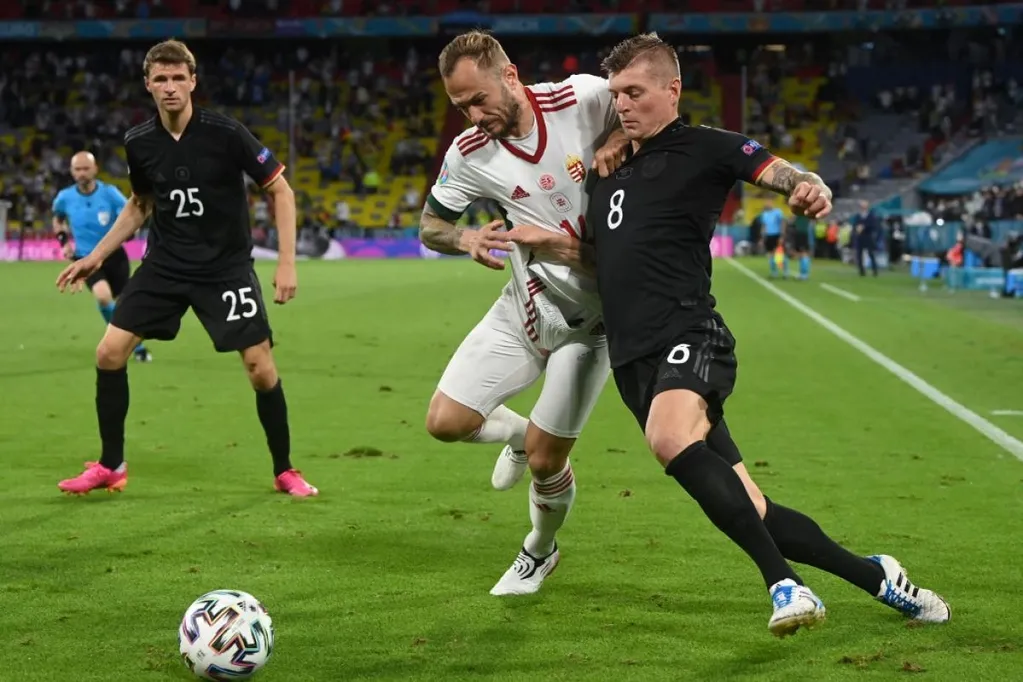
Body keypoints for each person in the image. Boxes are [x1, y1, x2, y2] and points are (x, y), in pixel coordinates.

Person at [504, 33, 949, 637]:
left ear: (672, 90)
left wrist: (806, 185)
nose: (623, 104)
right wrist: (551, 243)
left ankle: (784, 584)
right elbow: (611, 260)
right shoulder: (607, 168)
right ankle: (878, 577)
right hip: (633, 358)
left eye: (635, 92)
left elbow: (774, 168)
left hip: (691, 332)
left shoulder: (708, 146)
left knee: (668, 438)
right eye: (616, 94)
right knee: (753, 507)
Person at [55, 39, 317, 498]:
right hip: (166, 265)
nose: (170, 87)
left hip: (225, 268)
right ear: (148, 85)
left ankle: (284, 470)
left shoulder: (227, 133)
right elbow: (140, 205)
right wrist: (96, 256)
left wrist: (287, 263)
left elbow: (281, 190)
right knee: (109, 352)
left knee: (260, 367)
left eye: (179, 77)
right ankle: (111, 465)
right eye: (161, 78)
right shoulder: (139, 142)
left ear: (193, 81)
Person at [420, 30, 628, 596]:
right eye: (460, 106)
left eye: (478, 99)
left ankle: (539, 549)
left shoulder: (583, 98)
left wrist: (617, 136)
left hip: (592, 327)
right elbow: (430, 226)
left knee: (545, 460)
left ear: (509, 75)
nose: (472, 115)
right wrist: (464, 238)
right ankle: (515, 432)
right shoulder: (468, 152)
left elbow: (649, 108)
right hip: (523, 307)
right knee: (445, 423)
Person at [52, 151, 151, 362]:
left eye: (85, 168)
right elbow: (58, 219)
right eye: (77, 169)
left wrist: (130, 232)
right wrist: (64, 243)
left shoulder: (110, 194)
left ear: (95, 169)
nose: (82, 173)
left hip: (114, 256)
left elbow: (132, 212)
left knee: (124, 304)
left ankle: (132, 342)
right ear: (72, 171)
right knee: (103, 296)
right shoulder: (65, 198)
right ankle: (128, 346)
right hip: (86, 259)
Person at [854, 200, 880, 276]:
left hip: (868, 236)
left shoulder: (871, 216)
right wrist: (857, 228)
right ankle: (861, 271)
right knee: (859, 254)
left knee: (871, 253)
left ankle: (874, 270)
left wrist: (864, 227)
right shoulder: (858, 215)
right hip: (860, 237)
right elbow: (855, 224)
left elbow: (873, 226)